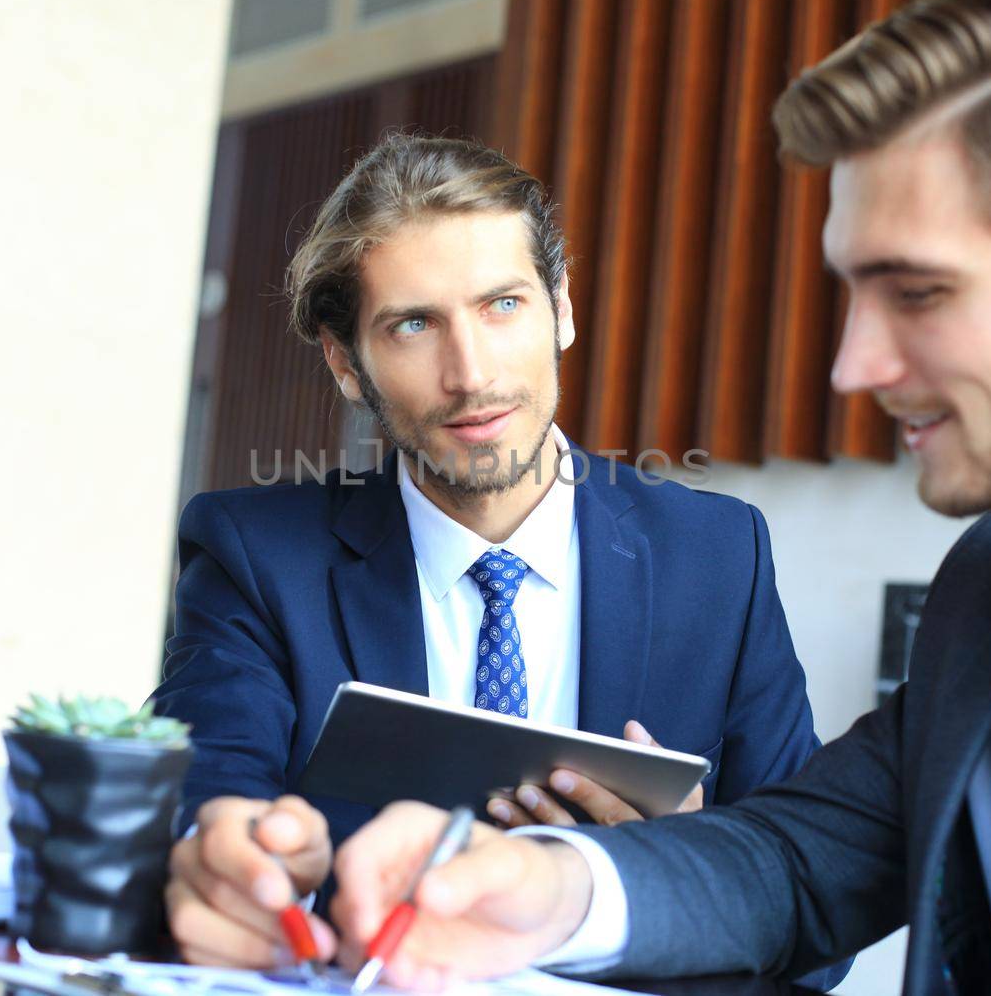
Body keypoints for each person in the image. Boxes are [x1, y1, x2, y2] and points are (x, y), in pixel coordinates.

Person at [322, 0, 991, 995]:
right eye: (850, 291)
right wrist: (539, 884)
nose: (851, 365)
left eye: (917, 291)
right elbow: (799, 858)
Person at [151, 135, 837, 981]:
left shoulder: (720, 557)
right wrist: (225, 849)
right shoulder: (256, 555)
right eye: (412, 324)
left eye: (503, 305)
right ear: (345, 363)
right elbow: (210, 778)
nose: (469, 374)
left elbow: (812, 918)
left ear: (563, 309)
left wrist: (683, 871)